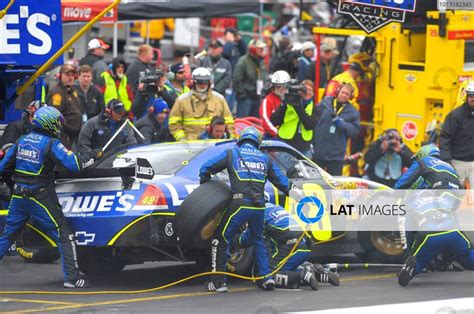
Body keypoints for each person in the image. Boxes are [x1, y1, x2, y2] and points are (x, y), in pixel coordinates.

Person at [0, 106, 90, 288]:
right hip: (39, 197)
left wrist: (13, 188)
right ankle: (73, 278)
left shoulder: (22, 140)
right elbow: (75, 166)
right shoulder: (51, 143)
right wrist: (92, 157)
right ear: (49, 124)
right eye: (57, 123)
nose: (59, 127)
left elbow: (3, 169)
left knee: (7, 237)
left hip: (18, 197)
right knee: (65, 235)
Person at [199, 127, 292, 292]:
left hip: (239, 204)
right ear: (258, 141)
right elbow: (283, 183)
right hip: (259, 206)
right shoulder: (265, 158)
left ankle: (219, 282)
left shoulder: (231, 153)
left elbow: (205, 168)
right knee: (260, 240)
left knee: (220, 238)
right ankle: (267, 278)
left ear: (241, 139)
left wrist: (205, 181)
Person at [393, 145, 472, 286]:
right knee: (463, 246)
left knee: (420, 243)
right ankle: (446, 260)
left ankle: (411, 265)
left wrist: (394, 192)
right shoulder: (448, 166)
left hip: (430, 224)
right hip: (454, 200)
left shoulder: (423, 162)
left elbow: (405, 182)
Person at [239, 202, 340, 290]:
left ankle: (301, 275)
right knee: (285, 268)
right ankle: (320, 274)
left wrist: (235, 236)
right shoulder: (277, 208)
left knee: (266, 277)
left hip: (292, 246)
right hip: (304, 244)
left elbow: (243, 241)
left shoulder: (257, 214)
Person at [168, 67, 234, 141]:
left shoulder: (219, 99)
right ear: (193, 83)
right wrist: (182, 139)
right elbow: (174, 124)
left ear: (209, 83)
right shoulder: (182, 100)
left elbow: (229, 123)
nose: (202, 85)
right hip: (191, 144)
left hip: (214, 144)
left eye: (204, 83)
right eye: (199, 83)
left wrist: (228, 139)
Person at [312, 84, 361, 176]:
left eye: (347, 94)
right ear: (338, 92)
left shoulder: (353, 112)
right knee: (315, 180)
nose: (344, 95)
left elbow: (355, 131)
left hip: (336, 155)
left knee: (334, 183)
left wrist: (339, 122)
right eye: (342, 92)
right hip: (319, 151)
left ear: (350, 97)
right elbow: (313, 120)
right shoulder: (325, 103)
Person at [440, 81, 474, 188]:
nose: (473, 99)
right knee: (454, 196)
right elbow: (445, 139)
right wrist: (447, 162)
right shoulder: (455, 116)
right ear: (467, 96)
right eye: (471, 96)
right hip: (457, 163)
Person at [271, 80, 318, 157]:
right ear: (299, 91)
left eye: (310, 90)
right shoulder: (288, 102)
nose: (307, 92)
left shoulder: (315, 108)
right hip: (285, 145)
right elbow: (274, 121)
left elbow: (309, 125)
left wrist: (298, 107)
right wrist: (284, 104)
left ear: (313, 94)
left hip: (304, 148)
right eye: (304, 89)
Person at [47, 64, 82, 149]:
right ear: (60, 76)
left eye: (72, 75)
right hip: (63, 135)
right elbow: (55, 116)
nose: (71, 78)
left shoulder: (72, 90)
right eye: (67, 75)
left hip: (74, 134)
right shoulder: (57, 93)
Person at [233, 39, 267, 118]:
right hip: (246, 99)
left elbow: (264, 76)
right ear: (253, 49)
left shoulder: (261, 62)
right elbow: (236, 80)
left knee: (256, 124)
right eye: (260, 49)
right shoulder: (243, 62)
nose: (262, 51)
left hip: (257, 98)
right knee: (243, 123)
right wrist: (243, 95)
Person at [259, 70, 291, 138]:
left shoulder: (293, 99)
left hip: (290, 136)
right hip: (273, 137)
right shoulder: (268, 100)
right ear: (273, 87)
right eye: (278, 86)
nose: (282, 89)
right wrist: (277, 134)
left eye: (284, 86)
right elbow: (265, 120)